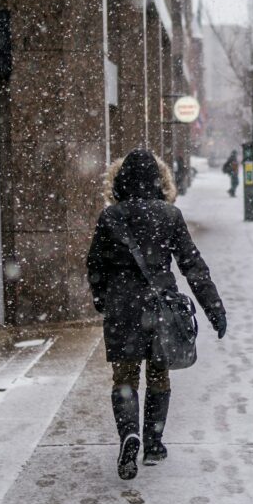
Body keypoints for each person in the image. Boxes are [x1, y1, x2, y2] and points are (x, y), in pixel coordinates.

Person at [87, 149, 228, 480]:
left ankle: (128, 435)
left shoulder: (111, 217)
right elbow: (192, 266)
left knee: (124, 377)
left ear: (120, 182)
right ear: (159, 181)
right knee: (158, 375)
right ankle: (153, 443)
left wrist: (102, 298)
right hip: (160, 306)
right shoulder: (169, 215)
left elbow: (95, 264)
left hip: (122, 308)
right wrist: (214, 309)